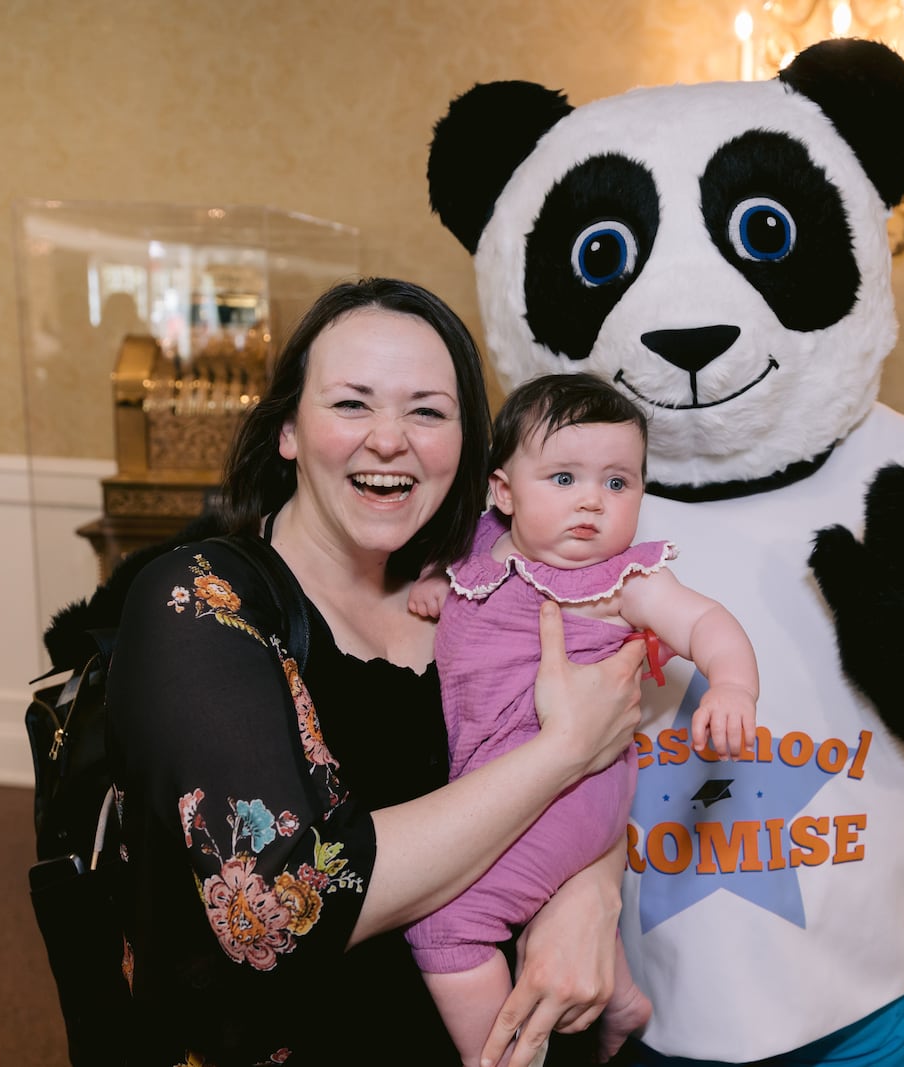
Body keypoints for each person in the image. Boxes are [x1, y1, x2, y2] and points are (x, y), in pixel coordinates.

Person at [104, 279, 649, 1067]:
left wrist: (590, 890)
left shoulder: (494, 580)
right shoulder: (199, 601)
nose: (389, 439)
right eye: (352, 404)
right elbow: (276, 910)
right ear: (289, 429)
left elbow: (614, 743)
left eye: (428, 410)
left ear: (469, 446)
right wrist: (560, 753)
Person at [404, 374, 761, 1066]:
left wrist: (734, 686)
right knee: (523, 899)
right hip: (500, 777)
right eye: (564, 477)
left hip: (577, 791)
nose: (592, 502)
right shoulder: (479, 547)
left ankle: (500, 1056)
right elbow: (449, 580)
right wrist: (433, 586)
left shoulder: (626, 581)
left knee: (448, 925)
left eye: (619, 482)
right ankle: (621, 995)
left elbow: (707, 622)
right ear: (504, 492)